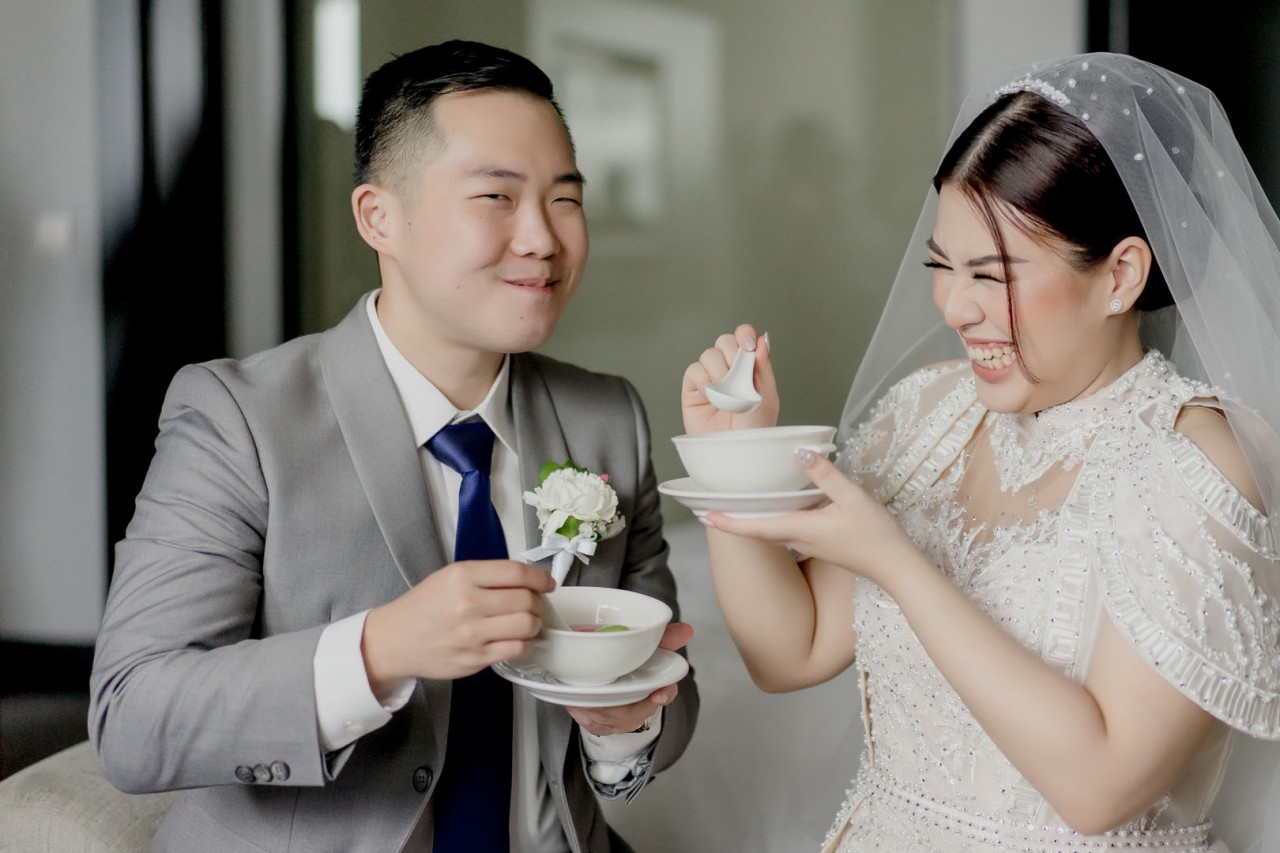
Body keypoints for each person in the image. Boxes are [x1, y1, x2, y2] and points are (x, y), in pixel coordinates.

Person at [89, 39, 698, 853]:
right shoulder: (241, 418)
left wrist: (622, 725)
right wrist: (380, 650)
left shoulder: (606, 417)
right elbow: (131, 718)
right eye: (496, 196)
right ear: (379, 217)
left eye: (564, 199)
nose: (542, 238)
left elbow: (671, 705)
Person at [681, 53, 1280, 852]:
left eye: (991, 274)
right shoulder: (927, 414)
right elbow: (790, 650)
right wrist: (733, 459)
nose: (955, 307)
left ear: (1120, 276)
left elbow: (1099, 786)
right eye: (942, 266)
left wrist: (897, 562)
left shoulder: (1193, 462)